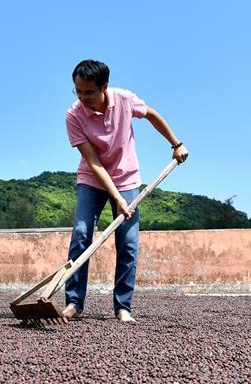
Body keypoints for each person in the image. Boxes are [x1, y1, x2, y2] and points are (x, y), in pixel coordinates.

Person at [62, 59, 188, 323]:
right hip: (92, 179)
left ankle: (123, 306)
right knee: (82, 234)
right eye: (78, 91)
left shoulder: (124, 99)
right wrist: (116, 198)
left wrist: (176, 144)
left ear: (104, 87)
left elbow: (152, 115)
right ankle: (74, 302)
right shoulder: (74, 115)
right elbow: (93, 162)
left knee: (128, 243)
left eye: (88, 92)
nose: (82, 98)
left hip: (127, 178)